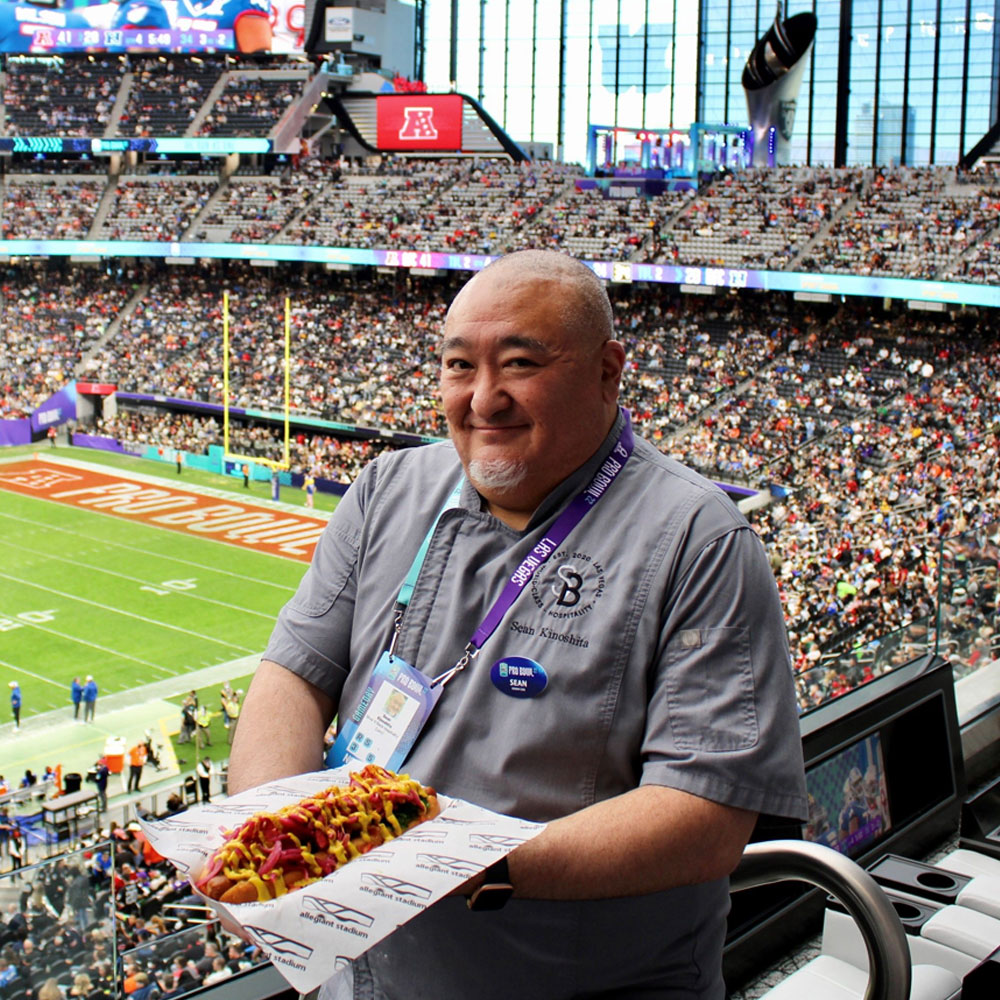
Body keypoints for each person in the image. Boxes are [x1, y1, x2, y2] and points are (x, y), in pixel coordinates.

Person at [229, 250, 807, 1000]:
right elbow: (294, 674)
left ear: (608, 372)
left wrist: (465, 865)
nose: (483, 398)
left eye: (520, 364)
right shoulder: (386, 490)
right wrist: (275, 841)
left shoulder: (699, 539)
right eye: (459, 365)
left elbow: (707, 812)